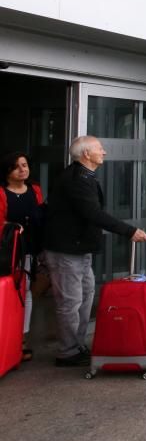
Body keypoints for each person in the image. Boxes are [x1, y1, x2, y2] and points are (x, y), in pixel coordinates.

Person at [45, 136, 146, 367]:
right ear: (86, 155)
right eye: (99, 149)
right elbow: (93, 213)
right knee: (70, 301)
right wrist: (129, 231)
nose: (104, 153)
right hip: (67, 250)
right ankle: (68, 351)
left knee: (84, 296)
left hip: (79, 248)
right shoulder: (76, 179)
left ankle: (77, 345)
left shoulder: (84, 176)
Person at [1, 151, 45, 362]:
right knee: (8, 289)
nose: (22, 169)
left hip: (29, 249)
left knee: (26, 291)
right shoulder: (2, 192)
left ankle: (22, 337)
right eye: (17, 166)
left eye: (25, 165)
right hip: (8, 250)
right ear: (7, 170)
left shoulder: (34, 190)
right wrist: (10, 226)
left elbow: (40, 218)